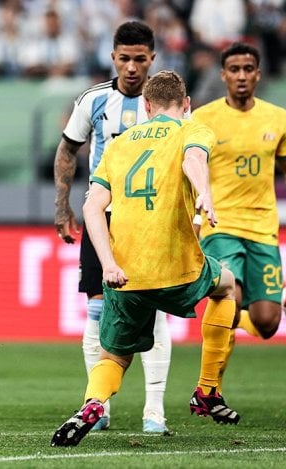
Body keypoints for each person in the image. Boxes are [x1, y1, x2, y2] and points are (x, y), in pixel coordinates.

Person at [51, 70, 240, 448]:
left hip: (126, 274)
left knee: (115, 356)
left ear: (147, 106)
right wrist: (204, 192)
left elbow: (91, 207)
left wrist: (108, 265)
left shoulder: (119, 145)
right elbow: (193, 161)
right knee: (228, 285)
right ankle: (207, 389)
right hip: (178, 269)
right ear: (187, 104)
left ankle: (93, 403)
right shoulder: (192, 128)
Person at [53, 20, 172, 433]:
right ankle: (99, 405)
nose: (133, 67)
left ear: (153, 59)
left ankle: (154, 409)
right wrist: (61, 205)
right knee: (97, 307)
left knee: (152, 309)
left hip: (151, 217)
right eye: (125, 58)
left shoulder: (165, 103)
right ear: (113, 58)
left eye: (141, 59)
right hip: (101, 216)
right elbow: (68, 150)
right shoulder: (93, 100)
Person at [191, 42, 286, 388]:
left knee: (266, 323)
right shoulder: (203, 119)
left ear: (258, 74)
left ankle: (233, 321)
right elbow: (187, 167)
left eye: (248, 69)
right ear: (223, 75)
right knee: (227, 299)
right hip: (221, 226)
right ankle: (209, 388)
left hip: (263, 228)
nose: (242, 76)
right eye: (234, 70)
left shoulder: (277, 118)